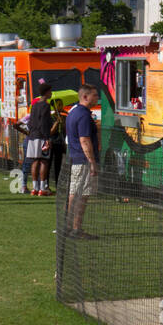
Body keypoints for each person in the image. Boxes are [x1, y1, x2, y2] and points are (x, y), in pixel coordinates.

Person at [65, 85, 100, 239]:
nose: (97, 98)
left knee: (75, 193)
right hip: (83, 161)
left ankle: (68, 226)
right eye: (95, 95)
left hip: (76, 158)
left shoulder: (73, 112)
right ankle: (76, 229)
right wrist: (92, 162)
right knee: (82, 195)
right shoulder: (84, 115)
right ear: (85, 97)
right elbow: (85, 140)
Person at [24, 82, 55, 196]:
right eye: (50, 91)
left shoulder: (35, 105)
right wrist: (47, 138)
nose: (51, 93)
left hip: (32, 135)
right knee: (44, 161)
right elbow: (44, 123)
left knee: (35, 161)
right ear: (46, 92)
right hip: (42, 135)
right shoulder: (46, 105)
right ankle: (43, 188)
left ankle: (34, 188)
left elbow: (31, 121)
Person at [48, 98, 67, 191]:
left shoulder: (65, 115)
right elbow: (50, 132)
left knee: (58, 164)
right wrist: (56, 122)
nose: (61, 106)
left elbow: (65, 130)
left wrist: (62, 122)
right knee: (48, 163)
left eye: (61, 104)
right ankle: (46, 184)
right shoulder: (51, 117)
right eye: (59, 105)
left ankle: (58, 184)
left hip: (60, 143)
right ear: (54, 106)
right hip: (52, 142)